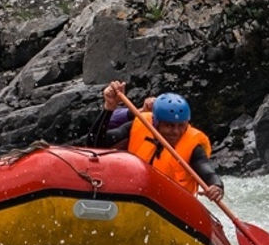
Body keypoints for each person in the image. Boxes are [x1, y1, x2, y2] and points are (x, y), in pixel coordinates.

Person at [87, 79, 225, 202]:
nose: (176, 131)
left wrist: (217, 186)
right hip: (135, 195)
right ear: (156, 123)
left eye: (181, 125)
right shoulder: (141, 124)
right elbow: (95, 143)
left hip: (172, 205)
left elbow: (207, 171)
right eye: (169, 126)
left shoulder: (193, 144)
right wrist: (109, 108)